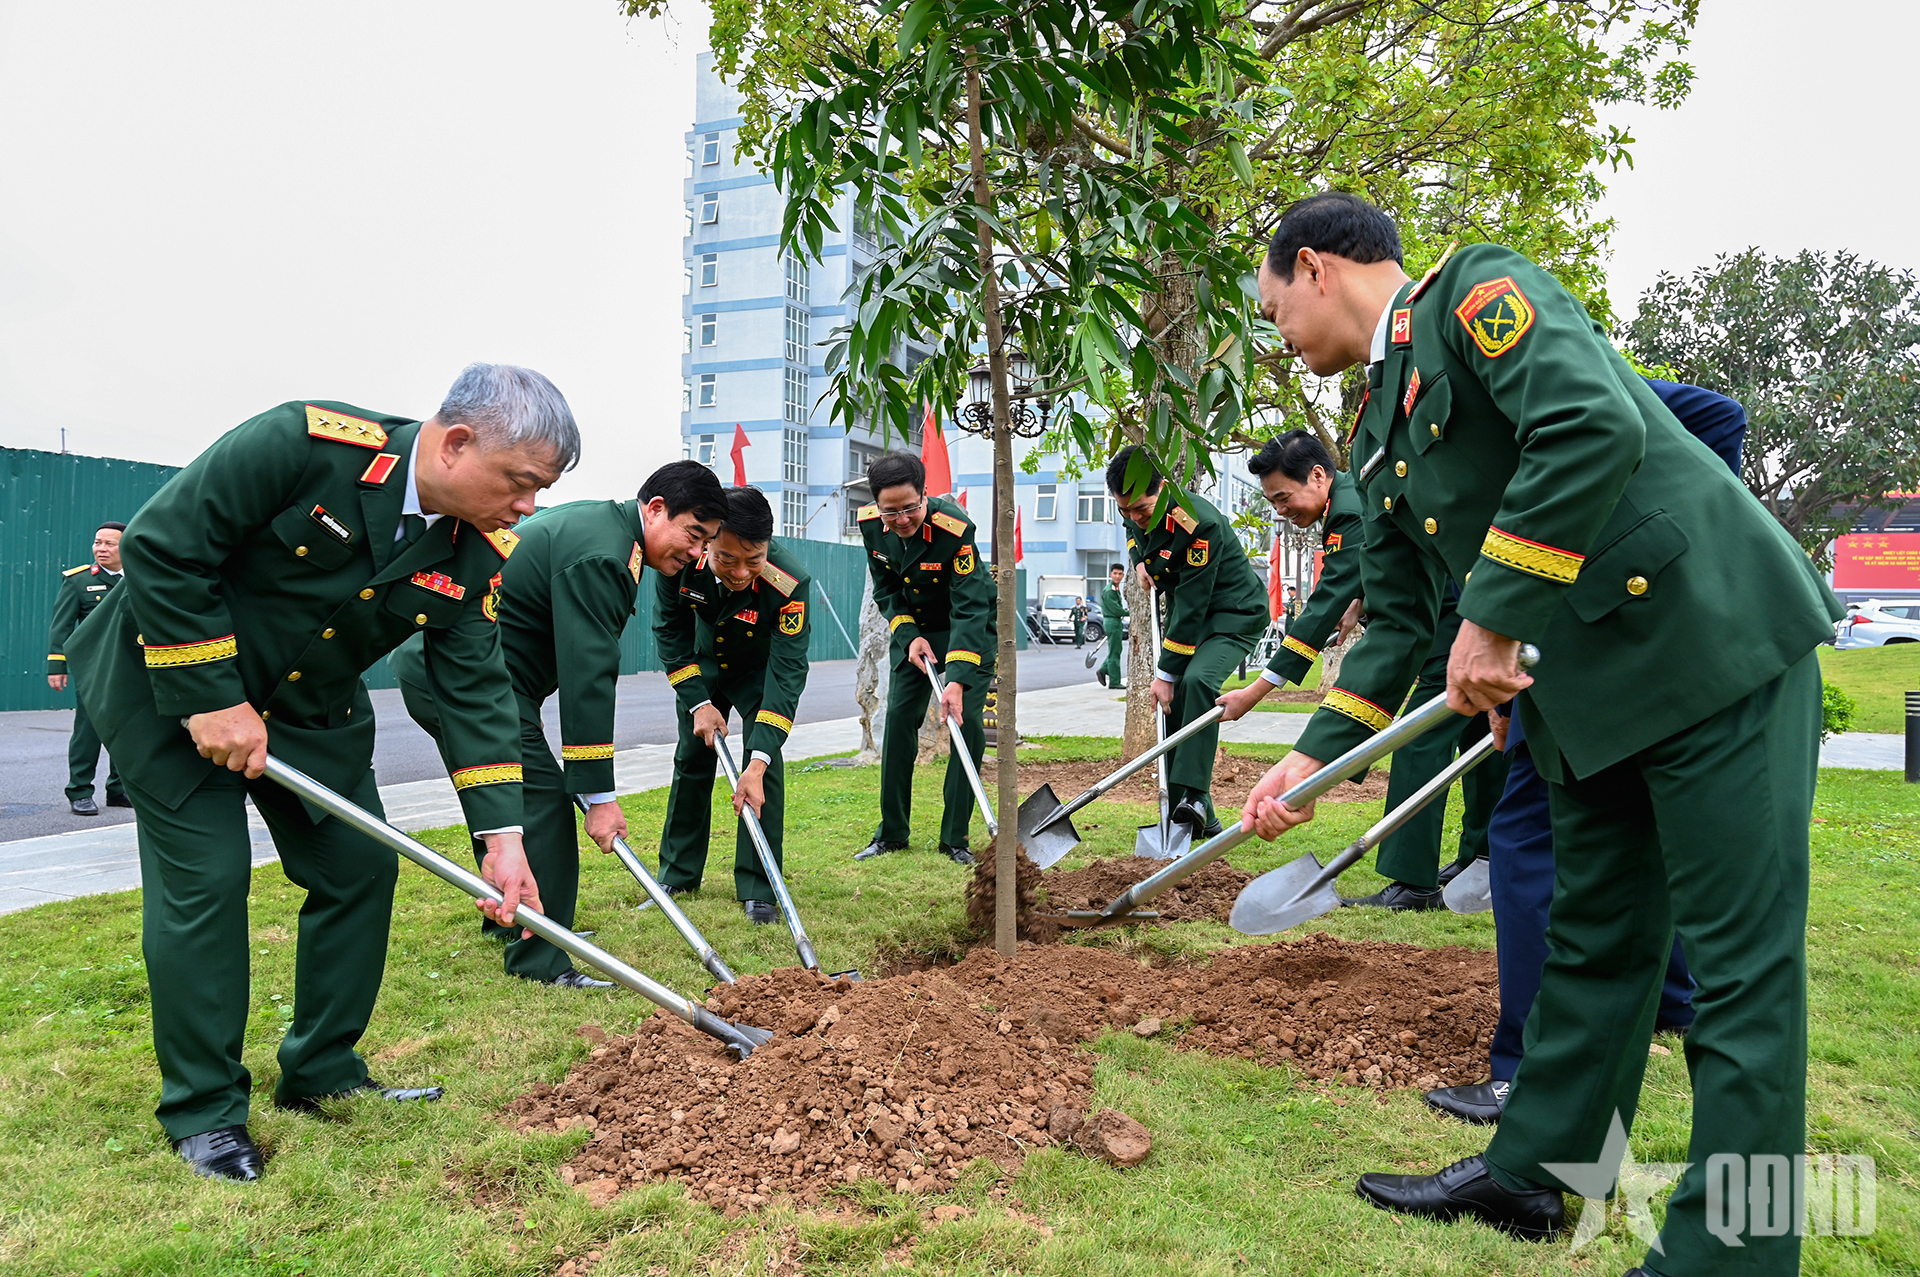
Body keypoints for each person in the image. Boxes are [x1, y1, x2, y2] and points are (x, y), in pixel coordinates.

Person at [1240, 192, 1840, 1272]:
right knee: (1595, 944)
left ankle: (1733, 1253)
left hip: (1709, 649)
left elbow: (1588, 423)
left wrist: (1497, 612)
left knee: (1742, 973)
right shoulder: (1374, 432)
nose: (1276, 326)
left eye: (1273, 301)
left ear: (1318, 266)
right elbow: (1400, 616)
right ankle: (1539, 1174)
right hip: (1589, 695)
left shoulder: (1476, 291)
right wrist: (1310, 755)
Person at [69, 365, 576, 1184]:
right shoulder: (305, 445)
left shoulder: (478, 550)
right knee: (207, 877)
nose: (527, 506)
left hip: (311, 712)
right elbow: (161, 545)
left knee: (359, 867)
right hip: (171, 686)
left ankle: (322, 1066)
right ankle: (205, 1110)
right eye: (521, 483)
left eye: (540, 491)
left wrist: (503, 834)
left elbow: (475, 685)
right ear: (455, 443)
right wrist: (211, 695)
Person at [1425, 377, 1745, 1126]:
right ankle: (1671, 1001)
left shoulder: (1535, 387)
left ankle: (1526, 1072)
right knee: (1635, 829)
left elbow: (1717, 418)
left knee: (1525, 839)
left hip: (1598, 643)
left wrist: (1659, 540)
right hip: (1567, 649)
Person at [394, 459, 726, 978]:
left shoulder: (607, 531)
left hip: (477, 681)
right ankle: (541, 957)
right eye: (694, 535)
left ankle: (513, 918)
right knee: (543, 804)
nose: (697, 553)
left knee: (505, 797)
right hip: (465, 683)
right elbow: (588, 675)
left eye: (706, 543)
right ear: (657, 509)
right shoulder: (605, 555)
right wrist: (599, 796)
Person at [654, 486, 812, 921]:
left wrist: (758, 761)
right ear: (707, 545)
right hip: (703, 668)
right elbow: (670, 631)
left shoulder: (789, 582)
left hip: (759, 674)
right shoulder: (682, 563)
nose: (740, 572)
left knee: (763, 770)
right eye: (726, 559)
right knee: (691, 761)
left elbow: (788, 670)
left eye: (753, 560)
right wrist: (697, 701)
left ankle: (760, 886)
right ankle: (677, 875)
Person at [1110, 445, 1268, 840]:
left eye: (1142, 509)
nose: (1135, 519)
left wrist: (1164, 673)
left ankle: (1194, 797)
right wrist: (1140, 561)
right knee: (1172, 704)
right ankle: (1198, 819)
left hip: (1233, 615)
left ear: (1163, 488)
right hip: (1191, 614)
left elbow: (1194, 606)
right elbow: (1135, 536)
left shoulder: (1199, 525)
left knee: (1195, 682)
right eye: (1125, 510)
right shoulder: (1135, 509)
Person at [851, 450, 994, 866]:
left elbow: (969, 604)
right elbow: (886, 587)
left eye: (910, 508)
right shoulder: (871, 526)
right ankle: (891, 833)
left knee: (964, 725)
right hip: (915, 631)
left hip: (966, 627)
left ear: (925, 496)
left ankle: (956, 839)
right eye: (890, 512)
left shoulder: (955, 529)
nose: (901, 520)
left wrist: (958, 679)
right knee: (898, 721)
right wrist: (908, 634)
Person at [1341, 585, 1511, 909]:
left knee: (1418, 740)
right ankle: (1484, 858)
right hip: (1467, 621)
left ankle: (1414, 882)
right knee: (1482, 737)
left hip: (1458, 627)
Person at [1215, 431, 1363, 725]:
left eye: (1283, 498)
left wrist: (1254, 692)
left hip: (1439, 626)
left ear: (1318, 475)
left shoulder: (1348, 512)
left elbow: (1328, 599)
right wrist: (1360, 601)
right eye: (1272, 502)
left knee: (1347, 721)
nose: (1280, 511)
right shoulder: (1347, 499)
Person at [47, 520, 129, 815]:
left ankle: (119, 789)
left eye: (109, 544)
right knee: (89, 731)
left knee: (127, 730)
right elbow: (62, 627)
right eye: (97, 543)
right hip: (94, 670)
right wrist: (57, 666)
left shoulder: (139, 576)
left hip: (131, 670)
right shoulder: (78, 581)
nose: (101, 549)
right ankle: (79, 791)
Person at [1094, 563, 1128, 688]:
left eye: (1120, 574)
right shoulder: (1110, 591)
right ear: (1110, 574)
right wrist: (1132, 613)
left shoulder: (1115, 588)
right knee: (1115, 652)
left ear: (1123, 575)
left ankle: (1103, 669)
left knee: (1116, 650)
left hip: (1115, 621)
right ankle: (1114, 681)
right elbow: (1116, 610)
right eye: (1115, 573)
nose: (1117, 576)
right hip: (1112, 621)